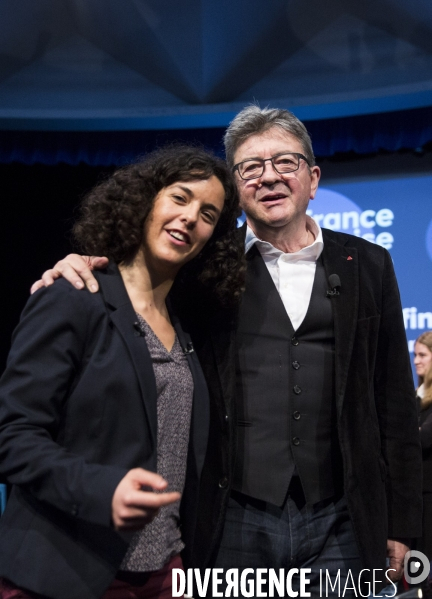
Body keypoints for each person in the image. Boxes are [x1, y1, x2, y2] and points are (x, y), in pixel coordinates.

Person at [32, 106, 422, 597]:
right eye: (250, 168)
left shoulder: (367, 263)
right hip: (231, 518)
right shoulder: (200, 266)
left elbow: (394, 400)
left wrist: (402, 525)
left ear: (313, 177)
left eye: (285, 162)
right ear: (237, 189)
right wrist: (80, 262)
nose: (269, 177)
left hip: (341, 519)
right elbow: (135, 278)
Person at [0, 145, 244, 599]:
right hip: (66, 573)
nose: (191, 217)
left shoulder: (189, 326)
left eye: (208, 213)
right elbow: (12, 435)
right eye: (180, 197)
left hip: (165, 574)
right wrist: (102, 489)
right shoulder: (73, 295)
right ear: (146, 199)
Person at [414, 333, 432, 563]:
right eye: (415, 355)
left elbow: (423, 438)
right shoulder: (414, 397)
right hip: (415, 494)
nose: (416, 360)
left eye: (423, 355)